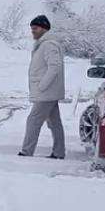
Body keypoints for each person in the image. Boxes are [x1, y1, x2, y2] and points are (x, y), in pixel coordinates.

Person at [20, 15, 66, 159]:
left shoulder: (49, 45)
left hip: (46, 92)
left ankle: (26, 152)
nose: (32, 31)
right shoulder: (44, 44)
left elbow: (54, 67)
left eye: (35, 28)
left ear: (44, 28)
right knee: (54, 123)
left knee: (33, 120)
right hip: (48, 92)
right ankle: (59, 152)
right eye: (32, 28)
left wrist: (42, 86)